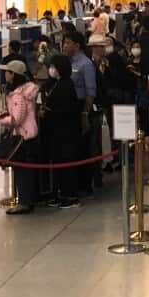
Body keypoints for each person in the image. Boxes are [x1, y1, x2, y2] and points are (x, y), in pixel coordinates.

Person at [0, 60, 41, 215]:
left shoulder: (18, 95)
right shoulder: (27, 91)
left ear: (14, 74)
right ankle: (30, 199)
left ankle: (24, 202)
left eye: (7, 72)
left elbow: (17, 119)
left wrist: (1, 119)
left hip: (22, 135)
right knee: (28, 170)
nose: (5, 75)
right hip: (31, 134)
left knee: (22, 171)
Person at [42, 55, 82, 208]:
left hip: (66, 132)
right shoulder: (55, 84)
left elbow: (66, 109)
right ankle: (60, 193)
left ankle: (70, 195)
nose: (51, 69)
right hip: (56, 132)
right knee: (58, 162)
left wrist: (50, 110)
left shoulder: (66, 85)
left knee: (67, 163)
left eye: (54, 66)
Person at [63, 30, 96, 201]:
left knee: (83, 149)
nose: (65, 45)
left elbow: (91, 92)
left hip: (81, 108)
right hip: (68, 110)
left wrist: (85, 113)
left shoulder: (85, 64)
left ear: (77, 45)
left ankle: (85, 184)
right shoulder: (66, 63)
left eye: (68, 42)